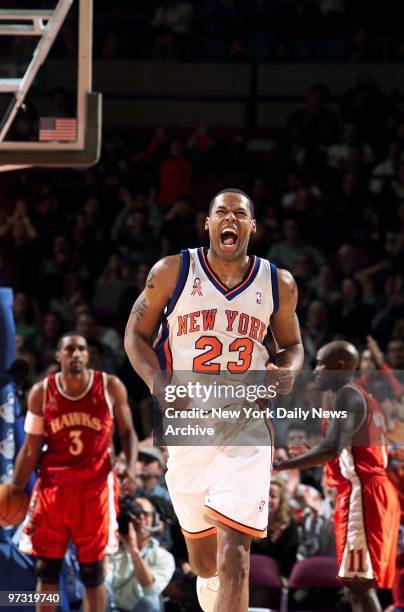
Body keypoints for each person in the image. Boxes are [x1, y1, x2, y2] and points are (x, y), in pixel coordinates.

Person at [124, 188, 304, 612]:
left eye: (239, 213)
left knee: (236, 551)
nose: (230, 218)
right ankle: (213, 593)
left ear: (252, 227)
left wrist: (289, 370)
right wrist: (156, 381)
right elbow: (135, 335)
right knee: (206, 564)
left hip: (245, 424)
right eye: (221, 212)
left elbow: (293, 345)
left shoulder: (278, 283)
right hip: (189, 425)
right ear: (208, 224)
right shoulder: (171, 271)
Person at [11, 332, 138, 612]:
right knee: (47, 571)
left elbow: (128, 432)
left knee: (93, 575)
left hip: (94, 492)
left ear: (88, 355)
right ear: (59, 356)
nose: (76, 354)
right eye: (70, 349)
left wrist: (129, 466)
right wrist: (15, 487)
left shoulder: (110, 386)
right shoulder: (41, 392)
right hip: (53, 490)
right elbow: (31, 448)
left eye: (81, 349)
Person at [275, 340, 401, 612]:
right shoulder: (358, 396)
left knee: (358, 584)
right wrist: (315, 451)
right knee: (352, 583)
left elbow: (331, 449)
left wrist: (279, 467)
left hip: (365, 493)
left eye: (321, 363)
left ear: (340, 366)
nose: (316, 369)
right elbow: (345, 449)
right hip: (366, 490)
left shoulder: (347, 394)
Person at [107, 496, 175, 611]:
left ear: (154, 520)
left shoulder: (164, 557)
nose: (139, 518)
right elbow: (103, 583)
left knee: (150, 602)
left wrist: (134, 551)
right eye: (134, 512)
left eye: (145, 514)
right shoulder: (112, 547)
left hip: (138, 608)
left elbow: (150, 589)